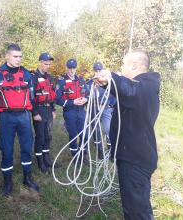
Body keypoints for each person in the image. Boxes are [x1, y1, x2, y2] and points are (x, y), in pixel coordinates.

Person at [94, 49, 160, 219]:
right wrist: (107, 84)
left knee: (137, 212)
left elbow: (130, 90)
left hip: (135, 161)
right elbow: (127, 91)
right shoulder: (143, 87)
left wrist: (110, 78)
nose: (121, 67)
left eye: (124, 64)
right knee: (136, 207)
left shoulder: (145, 87)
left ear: (135, 65)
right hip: (133, 156)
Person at [0, 43, 40, 197]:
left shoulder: (27, 74)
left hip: (24, 117)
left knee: (27, 147)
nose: (18, 59)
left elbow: (32, 96)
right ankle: (7, 183)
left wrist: (32, 112)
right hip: (7, 117)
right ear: (7, 56)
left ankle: (27, 178)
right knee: (6, 149)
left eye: (20, 56)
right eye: (15, 56)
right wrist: (0, 108)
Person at [55, 59, 89, 163]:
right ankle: (75, 157)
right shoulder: (61, 82)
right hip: (70, 112)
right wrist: (72, 102)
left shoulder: (81, 80)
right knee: (73, 135)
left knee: (85, 135)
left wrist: (86, 99)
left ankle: (83, 156)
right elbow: (57, 99)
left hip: (81, 111)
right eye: (69, 68)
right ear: (66, 68)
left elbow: (87, 94)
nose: (71, 70)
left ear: (76, 68)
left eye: (73, 68)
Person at [31, 52, 57, 173]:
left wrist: (53, 109)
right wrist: (35, 113)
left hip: (48, 110)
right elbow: (31, 98)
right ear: (40, 62)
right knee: (40, 137)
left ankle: (47, 160)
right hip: (39, 110)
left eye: (49, 64)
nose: (48, 66)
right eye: (46, 64)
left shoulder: (49, 77)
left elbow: (51, 94)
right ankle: (40, 162)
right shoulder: (33, 77)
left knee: (48, 136)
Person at [87, 62, 116, 159]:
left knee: (108, 129)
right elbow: (86, 94)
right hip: (94, 107)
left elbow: (114, 93)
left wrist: (111, 104)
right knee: (96, 130)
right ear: (94, 71)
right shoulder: (90, 82)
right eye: (96, 70)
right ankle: (100, 151)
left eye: (99, 70)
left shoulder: (108, 81)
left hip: (106, 108)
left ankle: (111, 150)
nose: (98, 72)